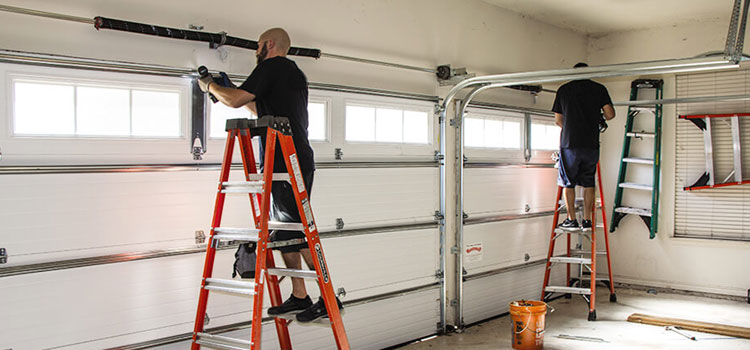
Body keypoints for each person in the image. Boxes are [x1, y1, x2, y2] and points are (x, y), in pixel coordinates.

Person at [198, 27, 340, 322]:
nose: (257, 50)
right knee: (287, 230)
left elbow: (236, 101)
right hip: (285, 159)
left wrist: (210, 86)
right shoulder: (289, 73)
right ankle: (300, 295)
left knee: (297, 230)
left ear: (269, 44)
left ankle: (329, 299)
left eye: (259, 45)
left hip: (287, 160)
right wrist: (229, 88)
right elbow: (254, 106)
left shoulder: (272, 66)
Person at [552, 62, 616, 231]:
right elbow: (610, 114)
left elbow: (559, 121)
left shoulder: (564, 90)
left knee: (568, 183)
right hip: (591, 144)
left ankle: (572, 220)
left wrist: (573, 126)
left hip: (569, 143)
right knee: (588, 183)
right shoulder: (599, 89)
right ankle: (587, 220)